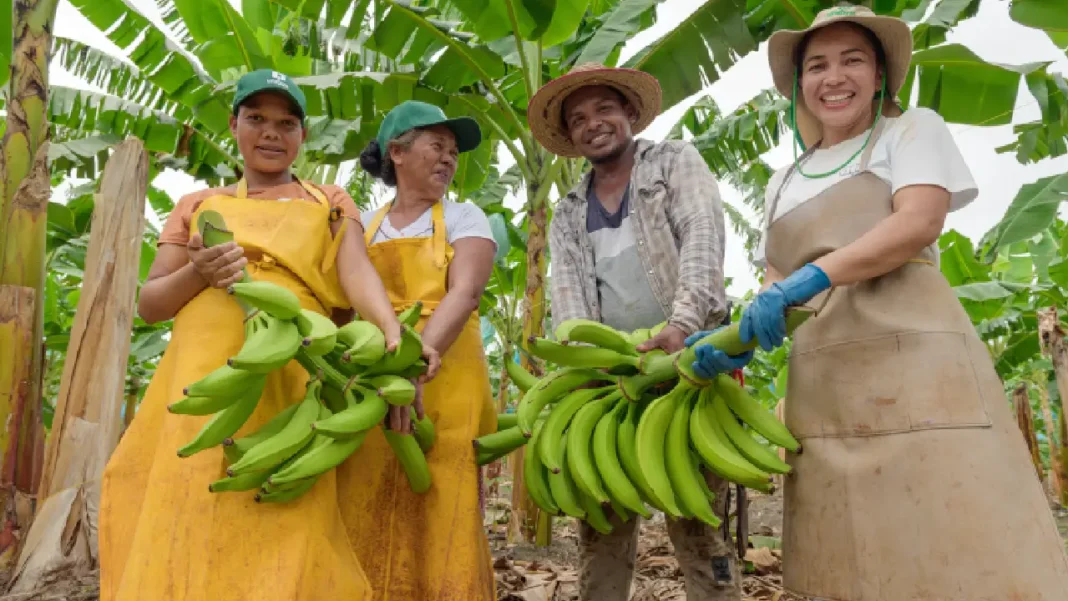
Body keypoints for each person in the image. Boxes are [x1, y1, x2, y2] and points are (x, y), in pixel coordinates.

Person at [686, 5, 1068, 600]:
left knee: (956, 530)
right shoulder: (782, 180)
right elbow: (775, 280)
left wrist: (810, 278)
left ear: (880, 74)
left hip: (918, 359)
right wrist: (736, 336)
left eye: (852, 60)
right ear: (799, 83)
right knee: (847, 552)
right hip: (824, 379)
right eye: (817, 65)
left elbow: (917, 222)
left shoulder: (909, 130)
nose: (834, 77)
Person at [98, 70, 421, 600]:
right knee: (192, 493)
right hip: (204, 369)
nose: (271, 132)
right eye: (256, 119)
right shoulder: (196, 204)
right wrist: (200, 271)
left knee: (285, 502)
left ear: (302, 136)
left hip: (295, 365)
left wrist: (390, 332)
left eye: (286, 123)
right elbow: (152, 304)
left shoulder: (330, 200)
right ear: (234, 125)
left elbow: (355, 272)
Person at [528, 62, 744, 601]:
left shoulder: (674, 163)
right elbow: (568, 297)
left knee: (698, 520)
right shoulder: (569, 211)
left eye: (603, 109)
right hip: (610, 381)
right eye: (578, 119)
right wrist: (584, 359)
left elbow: (702, 239)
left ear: (628, 111)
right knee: (601, 521)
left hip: (691, 365)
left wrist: (682, 325)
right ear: (571, 136)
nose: (593, 124)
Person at [336, 100, 498, 600]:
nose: (449, 158)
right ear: (398, 152)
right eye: (437, 146)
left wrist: (413, 366)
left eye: (454, 152)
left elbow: (465, 293)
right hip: (374, 378)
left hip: (447, 372)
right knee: (368, 489)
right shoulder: (363, 224)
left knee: (444, 496)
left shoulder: (466, 216)